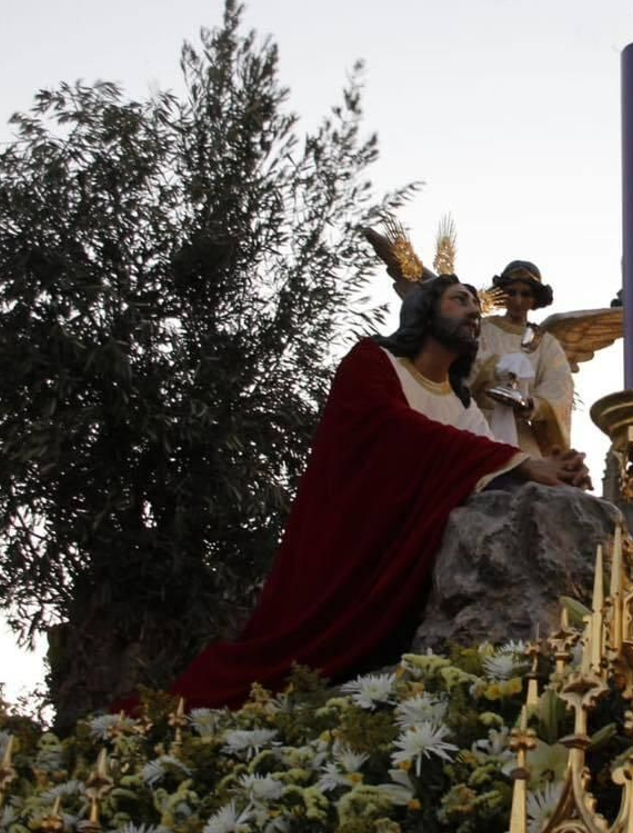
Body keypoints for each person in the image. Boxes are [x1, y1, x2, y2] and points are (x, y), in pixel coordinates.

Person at [165, 275, 588, 709]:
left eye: (476, 310)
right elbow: (394, 431)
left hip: (400, 570)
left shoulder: (462, 408)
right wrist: (523, 465)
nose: (474, 314)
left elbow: (490, 461)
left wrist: (550, 473)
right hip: (341, 553)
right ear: (425, 309)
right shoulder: (372, 363)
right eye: (460, 301)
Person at [472, 260, 575, 456]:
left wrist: (533, 405)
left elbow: (560, 384)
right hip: (479, 422)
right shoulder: (482, 329)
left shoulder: (545, 343)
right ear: (502, 294)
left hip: (519, 429)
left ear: (534, 299)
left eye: (525, 294)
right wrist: (490, 370)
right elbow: (460, 368)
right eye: (512, 292)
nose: (518, 301)